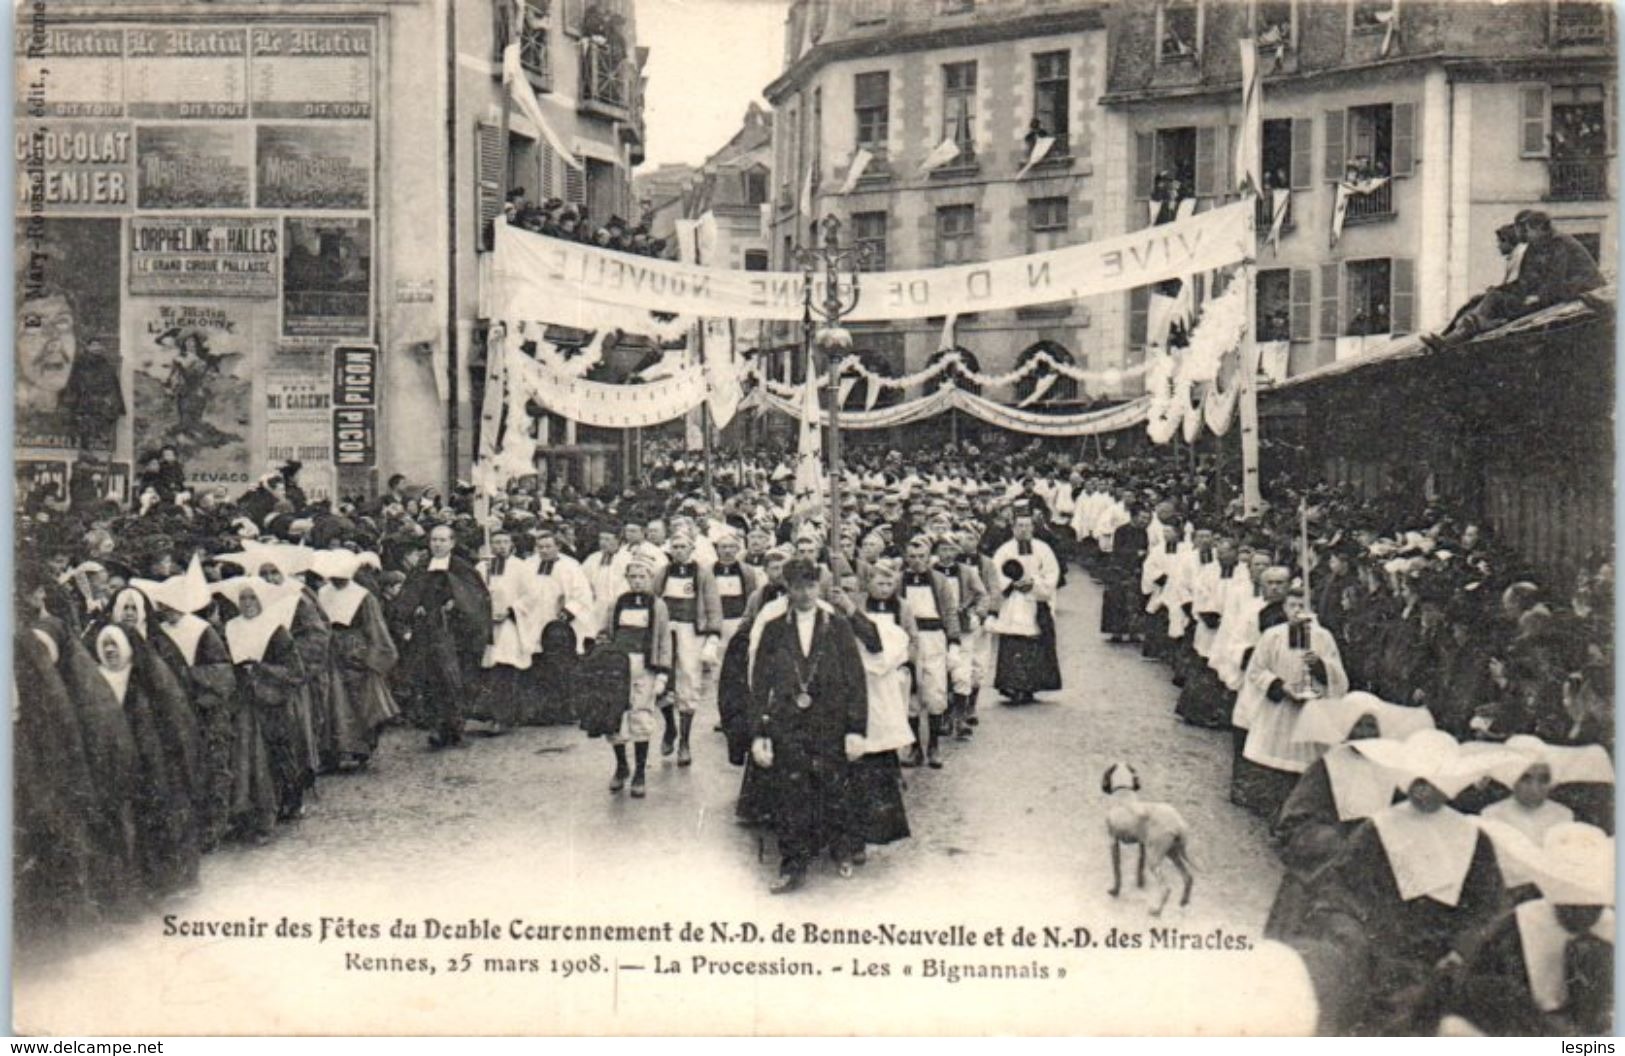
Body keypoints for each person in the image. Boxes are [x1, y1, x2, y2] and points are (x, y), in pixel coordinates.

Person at [749, 558, 868, 894]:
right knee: (790, 794)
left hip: (830, 721)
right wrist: (759, 734)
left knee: (834, 787)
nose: (805, 593)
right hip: (788, 723)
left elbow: (856, 681)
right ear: (788, 588)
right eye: (798, 586)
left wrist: (856, 728)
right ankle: (792, 865)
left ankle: (840, 848)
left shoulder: (838, 626)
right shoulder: (774, 629)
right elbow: (759, 686)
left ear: (819, 587)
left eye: (811, 586)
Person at [1233, 585, 1352, 819]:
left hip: (1309, 710)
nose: (1297, 611)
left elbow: (1339, 677)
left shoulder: (1323, 638)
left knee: (1301, 763)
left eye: (1302, 606)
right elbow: (1257, 670)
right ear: (1284, 609)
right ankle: (1269, 805)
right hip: (1279, 710)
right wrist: (1280, 686)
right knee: (1274, 759)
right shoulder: (1273, 636)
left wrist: (1320, 666)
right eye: (1292, 606)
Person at [393, 525, 491, 749]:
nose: (437, 544)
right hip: (426, 631)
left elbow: (476, 599)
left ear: (452, 543)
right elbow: (407, 596)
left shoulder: (462, 568)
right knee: (430, 680)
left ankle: (455, 726)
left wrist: (458, 604)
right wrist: (413, 608)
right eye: (434, 540)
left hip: (456, 634)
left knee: (453, 680)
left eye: (442, 540)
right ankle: (437, 726)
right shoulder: (421, 567)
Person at [315, 550, 400, 768]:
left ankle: (360, 748)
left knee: (360, 701)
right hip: (330, 649)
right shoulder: (322, 592)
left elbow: (375, 626)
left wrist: (375, 657)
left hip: (356, 650)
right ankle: (332, 751)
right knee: (331, 701)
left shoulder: (362, 596)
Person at [598, 558, 672, 798]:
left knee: (641, 715)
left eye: (642, 577)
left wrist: (662, 673)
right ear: (627, 579)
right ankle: (621, 766)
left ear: (650, 579)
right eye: (633, 577)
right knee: (615, 714)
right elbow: (606, 633)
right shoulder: (617, 603)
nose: (638, 581)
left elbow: (663, 640)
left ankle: (640, 771)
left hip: (645, 666)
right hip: (619, 666)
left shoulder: (657, 605)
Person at [655, 532, 722, 765]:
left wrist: (713, 635)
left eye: (683, 546)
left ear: (692, 548)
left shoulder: (702, 574)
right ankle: (670, 728)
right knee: (661, 677)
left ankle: (684, 740)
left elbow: (713, 605)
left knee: (689, 680)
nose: (679, 550)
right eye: (675, 546)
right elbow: (654, 599)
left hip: (691, 632)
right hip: (666, 631)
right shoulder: (663, 572)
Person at [990, 512, 1062, 705]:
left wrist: (1034, 584)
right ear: (1013, 528)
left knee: (1035, 641)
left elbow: (1052, 573)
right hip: (1013, 602)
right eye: (1019, 526)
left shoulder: (1043, 549)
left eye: (1027, 526)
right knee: (1013, 641)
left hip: (1035, 600)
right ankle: (1011, 685)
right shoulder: (1004, 550)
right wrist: (1012, 584)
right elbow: (995, 574)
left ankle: (1032, 685)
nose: (1023, 530)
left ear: (1033, 527)